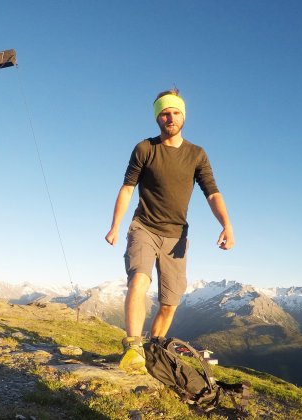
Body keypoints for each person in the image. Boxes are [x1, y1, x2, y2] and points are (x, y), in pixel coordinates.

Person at [105, 89, 234, 374]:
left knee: (169, 302)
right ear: (157, 117)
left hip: (177, 236)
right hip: (144, 227)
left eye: (175, 112)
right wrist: (115, 225)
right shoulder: (145, 149)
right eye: (165, 113)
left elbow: (212, 193)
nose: (170, 117)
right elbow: (127, 188)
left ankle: (153, 349)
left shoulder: (197, 154)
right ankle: (133, 348)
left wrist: (226, 224)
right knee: (139, 279)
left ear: (183, 116)